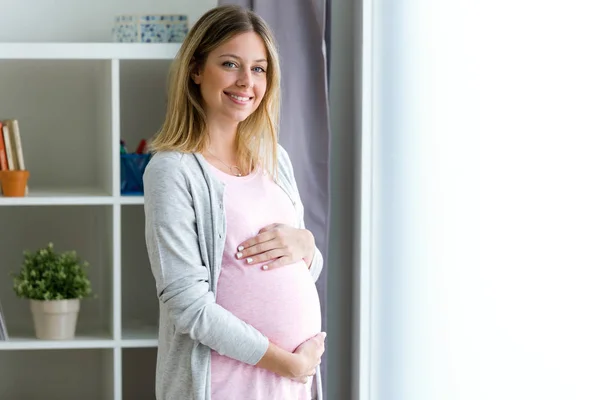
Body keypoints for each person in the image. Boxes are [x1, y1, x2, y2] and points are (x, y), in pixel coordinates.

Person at [143, 5, 326, 400]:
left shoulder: (276, 159)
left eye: (259, 69)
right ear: (195, 69)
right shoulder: (174, 171)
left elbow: (299, 271)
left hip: (288, 386)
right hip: (225, 387)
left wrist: (307, 247)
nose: (246, 81)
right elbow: (187, 306)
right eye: (230, 64)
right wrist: (286, 362)